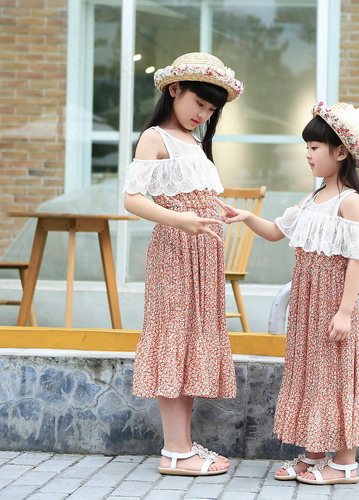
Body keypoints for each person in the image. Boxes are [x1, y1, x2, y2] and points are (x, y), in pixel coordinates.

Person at [220, 101, 359, 485]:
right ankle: (314, 453)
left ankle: (345, 463)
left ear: (340, 152)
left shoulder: (348, 201)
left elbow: (357, 261)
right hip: (307, 304)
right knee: (311, 376)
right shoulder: (312, 198)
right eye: (306, 147)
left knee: (335, 378)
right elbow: (277, 231)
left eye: (315, 147)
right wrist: (246, 217)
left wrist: (344, 312)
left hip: (331, 304)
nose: (308, 154)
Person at [123, 52, 245, 477]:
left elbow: (192, 192)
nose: (203, 114)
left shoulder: (193, 142)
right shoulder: (155, 137)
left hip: (201, 255)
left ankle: (183, 445)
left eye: (210, 110)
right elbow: (133, 199)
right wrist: (183, 220)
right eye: (199, 103)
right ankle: (174, 451)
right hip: (176, 252)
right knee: (175, 339)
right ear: (174, 90)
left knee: (191, 344)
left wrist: (216, 210)